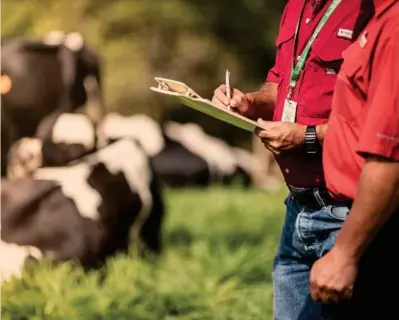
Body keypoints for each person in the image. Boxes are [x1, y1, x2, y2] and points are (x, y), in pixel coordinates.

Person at [212, 0, 373, 319]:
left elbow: (377, 121)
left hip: (346, 215)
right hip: (297, 210)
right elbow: (280, 85)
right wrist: (248, 102)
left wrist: (306, 135)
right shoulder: (296, 5)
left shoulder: (372, 11)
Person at [310, 0, 399, 318]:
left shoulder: (396, 26)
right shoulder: (377, 17)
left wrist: (345, 254)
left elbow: (390, 157)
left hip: (378, 231)